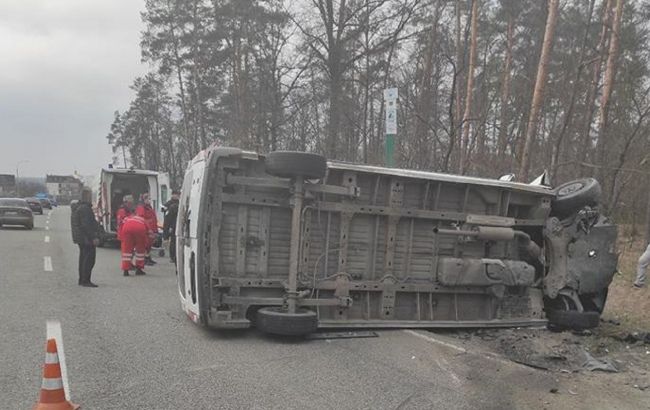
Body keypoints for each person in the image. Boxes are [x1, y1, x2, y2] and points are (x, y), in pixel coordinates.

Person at [71, 189, 101, 287]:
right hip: (86, 238)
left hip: (81, 238)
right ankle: (85, 280)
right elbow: (87, 225)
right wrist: (93, 237)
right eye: (90, 196)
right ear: (86, 197)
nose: (91, 198)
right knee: (89, 259)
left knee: (83, 258)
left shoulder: (79, 207)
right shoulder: (85, 209)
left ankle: (82, 279)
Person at [136, 193, 158, 266]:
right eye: (148, 199)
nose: (149, 200)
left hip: (151, 228)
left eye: (149, 199)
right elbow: (141, 218)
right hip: (147, 229)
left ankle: (148, 258)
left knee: (149, 245)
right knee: (146, 245)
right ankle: (145, 259)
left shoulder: (148, 207)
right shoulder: (141, 208)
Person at [163, 190, 180, 264]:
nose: (176, 196)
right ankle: (172, 256)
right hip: (173, 226)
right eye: (175, 194)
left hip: (175, 226)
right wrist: (165, 234)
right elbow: (167, 219)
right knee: (173, 242)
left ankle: (175, 256)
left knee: (175, 242)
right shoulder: (169, 205)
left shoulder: (177, 204)